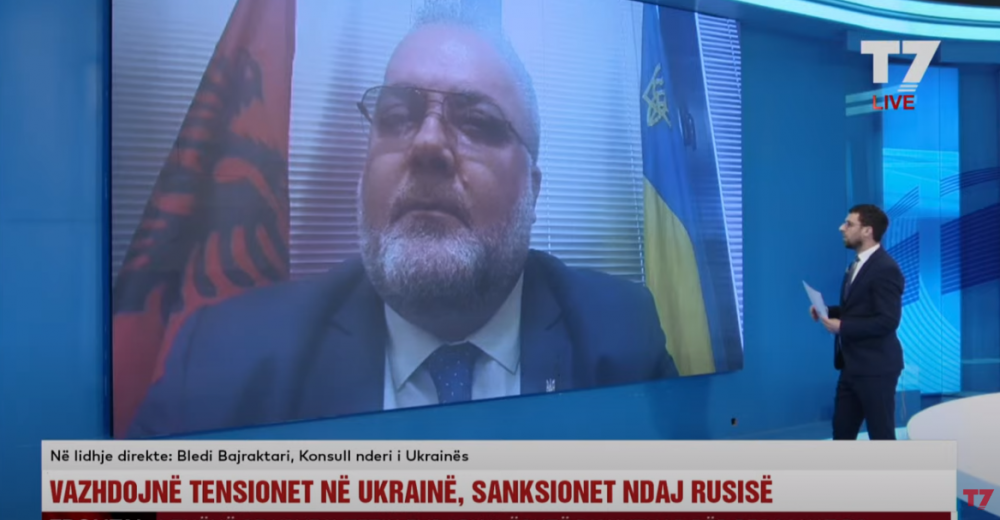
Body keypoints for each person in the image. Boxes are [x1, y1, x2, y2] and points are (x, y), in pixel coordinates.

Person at [128, 7, 678, 438]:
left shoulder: (622, 336)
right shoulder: (224, 359)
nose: (427, 144)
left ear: (531, 193)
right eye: (397, 117)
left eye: (476, 122)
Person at [810, 204, 904, 440]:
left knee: (881, 436)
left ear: (867, 231)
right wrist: (827, 311)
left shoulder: (886, 268)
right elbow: (859, 310)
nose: (841, 228)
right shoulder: (856, 264)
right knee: (842, 433)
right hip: (851, 367)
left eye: (849, 224)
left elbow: (887, 320)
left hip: (876, 369)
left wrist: (842, 327)